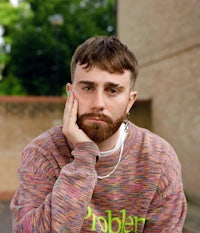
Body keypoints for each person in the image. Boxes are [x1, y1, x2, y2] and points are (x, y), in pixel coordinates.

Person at [10, 36, 187, 233]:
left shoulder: (159, 159)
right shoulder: (43, 153)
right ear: (70, 93)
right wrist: (84, 157)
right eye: (87, 88)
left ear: (130, 101)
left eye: (112, 90)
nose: (98, 103)